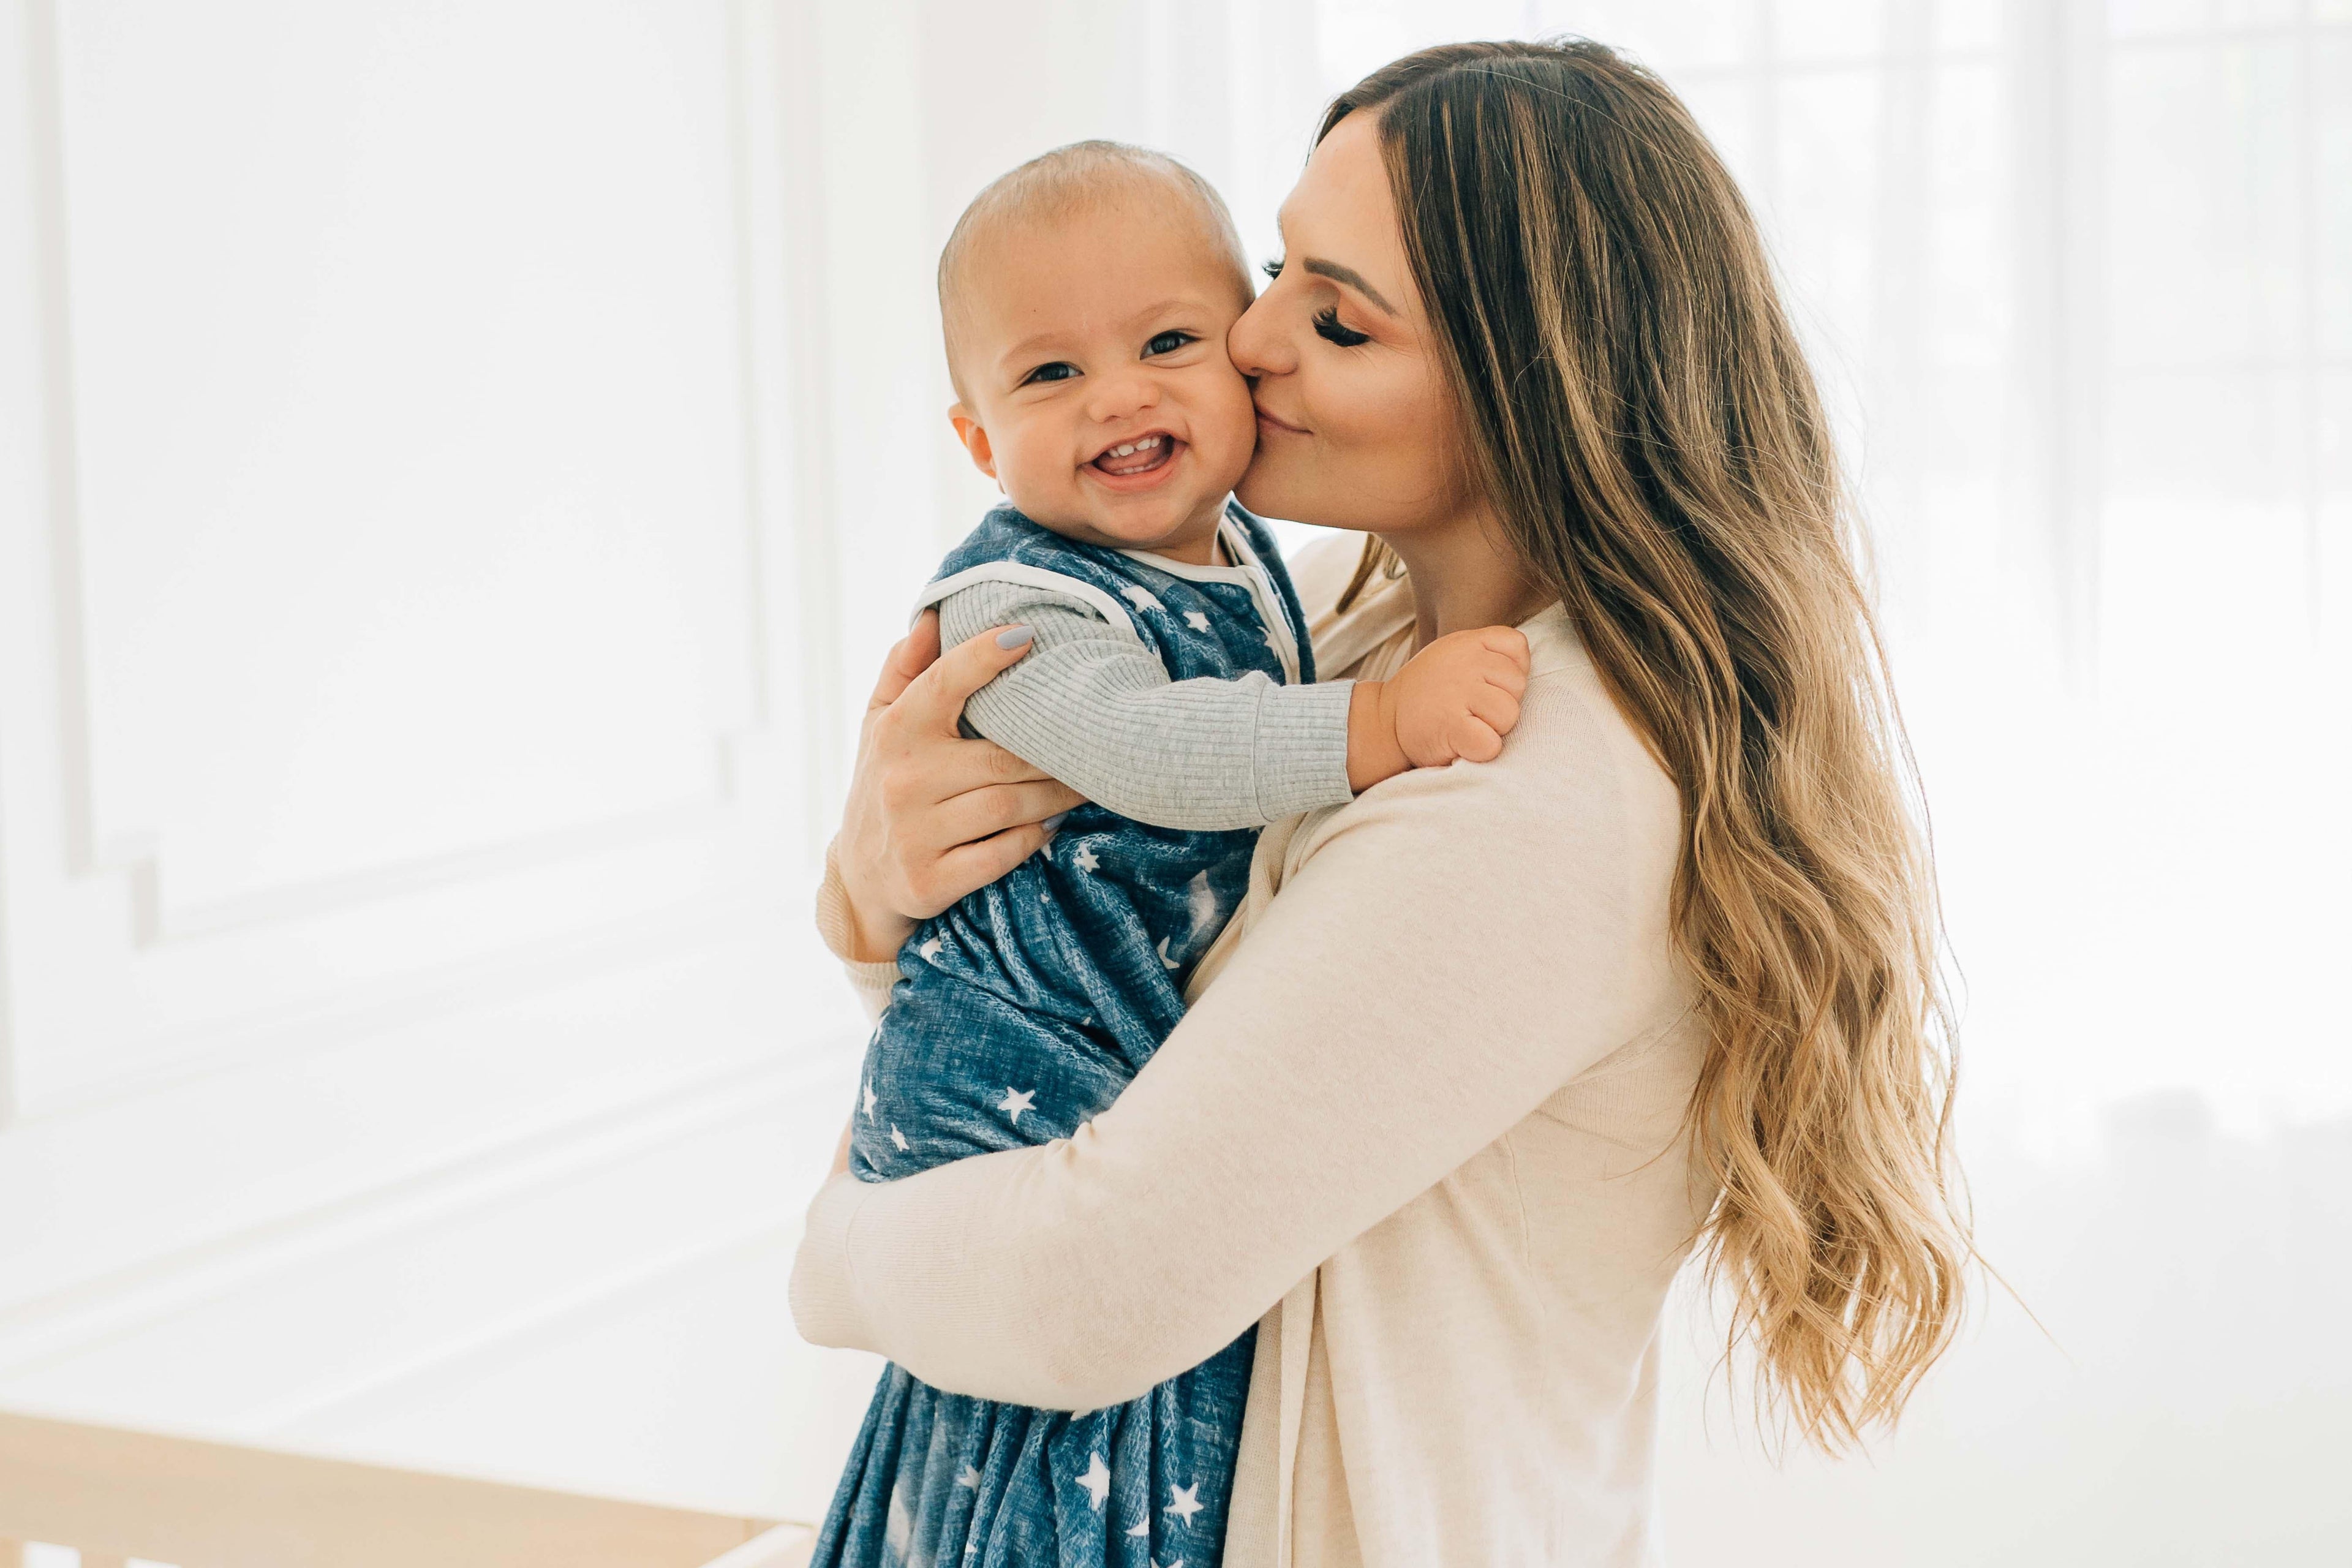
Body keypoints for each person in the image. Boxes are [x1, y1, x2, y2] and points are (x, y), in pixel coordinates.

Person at [796, 38, 1970, 1567]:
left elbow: (1092, 1286)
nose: (1250, 337)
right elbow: (1122, 1007)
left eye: (1337, 318)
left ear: (1529, 390)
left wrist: (834, 1248)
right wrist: (877, 895)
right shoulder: (1341, 641)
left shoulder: (1529, 786)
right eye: (1278, 269)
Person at [815, 140, 1531, 1568]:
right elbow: (1152, 748)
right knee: (1006, 1466)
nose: (1121, 395)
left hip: (1110, 1078)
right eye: (1051, 373)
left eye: (1168, 343)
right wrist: (1383, 723)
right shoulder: (1024, 606)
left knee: (1061, 1455)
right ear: (979, 443)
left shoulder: (1249, 558)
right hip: (1019, 1053)